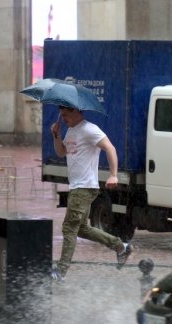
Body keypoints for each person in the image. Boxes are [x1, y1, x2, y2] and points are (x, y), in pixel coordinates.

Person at [50, 105, 134, 282]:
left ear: (76, 111)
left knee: (69, 228)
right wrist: (56, 135)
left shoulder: (90, 129)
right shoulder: (71, 130)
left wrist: (113, 174)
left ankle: (61, 271)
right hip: (77, 186)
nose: (63, 118)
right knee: (81, 229)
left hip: (84, 187)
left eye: (65, 115)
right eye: (62, 115)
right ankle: (121, 247)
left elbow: (110, 148)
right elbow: (61, 152)